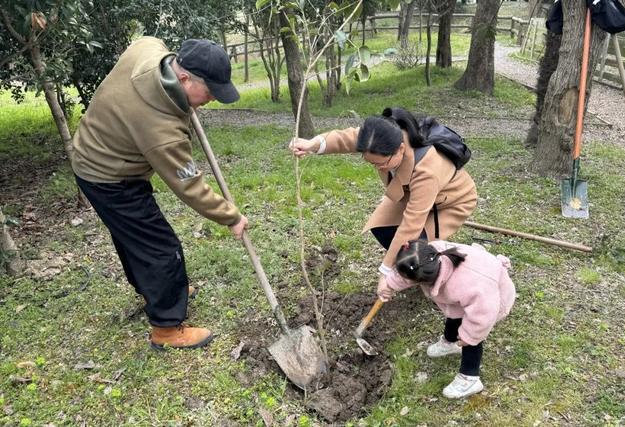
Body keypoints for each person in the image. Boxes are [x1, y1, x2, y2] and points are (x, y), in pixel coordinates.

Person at [71, 37, 248, 350]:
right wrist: (230, 216)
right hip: (109, 175)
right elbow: (189, 185)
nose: (211, 100)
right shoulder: (161, 130)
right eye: (208, 92)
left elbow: (149, 39)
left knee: (133, 237)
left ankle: (154, 289)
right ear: (183, 78)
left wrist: (185, 102)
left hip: (95, 153)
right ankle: (166, 329)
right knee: (160, 248)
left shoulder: (150, 50)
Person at [289, 107, 477, 294]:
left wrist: (385, 272)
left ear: (401, 149)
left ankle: (434, 276)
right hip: (410, 195)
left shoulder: (427, 171)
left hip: (449, 202)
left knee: (417, 246)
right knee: (382, 227)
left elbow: (411, 223)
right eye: (373, 163)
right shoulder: (382, 137)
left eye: (382, 163)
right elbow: (347, 138)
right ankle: (407, 267)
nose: (380, 168)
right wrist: (312, 143)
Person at [378, 239, 516, 399]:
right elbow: (408, 274)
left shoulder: (470, 285)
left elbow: (483, 315)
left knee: (471, 339)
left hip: (493, 300)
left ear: (426, 279)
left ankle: (470, 377)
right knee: (454, 316)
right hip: (466, 297)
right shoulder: (427, 256)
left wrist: (469, 335)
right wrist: (389, 284)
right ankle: (450, 343)